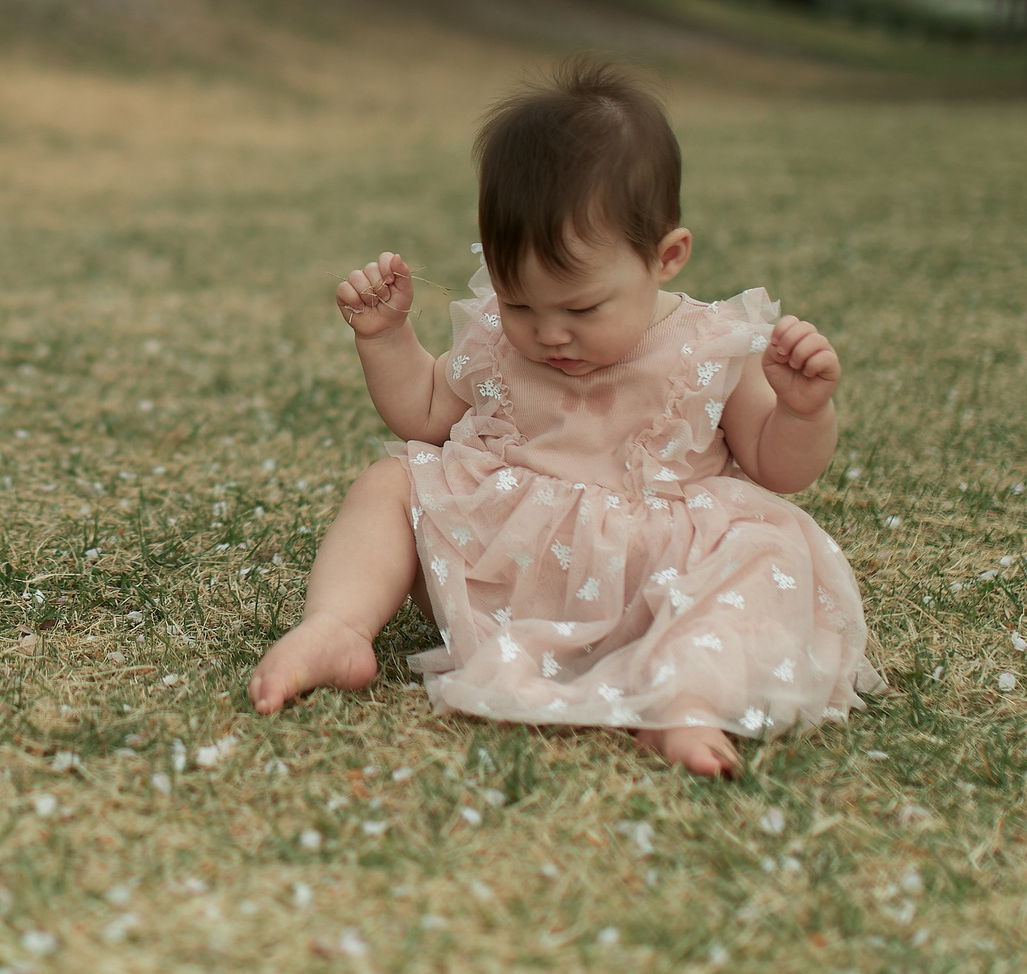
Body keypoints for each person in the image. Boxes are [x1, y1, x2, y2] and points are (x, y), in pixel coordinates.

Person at [249, 59, 878, 775]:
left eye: (581, 309)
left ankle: (687, 701)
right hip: (515, 571)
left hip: (660, 583)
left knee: (757, 566)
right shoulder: (494, 337)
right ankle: (337, 626)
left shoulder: (711, 348)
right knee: (392, 483)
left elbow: (779, 468)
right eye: (520, 304)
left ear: (666, 257)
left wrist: (803, 410)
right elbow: (423, 413)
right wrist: (387, 338)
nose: (548, 334)